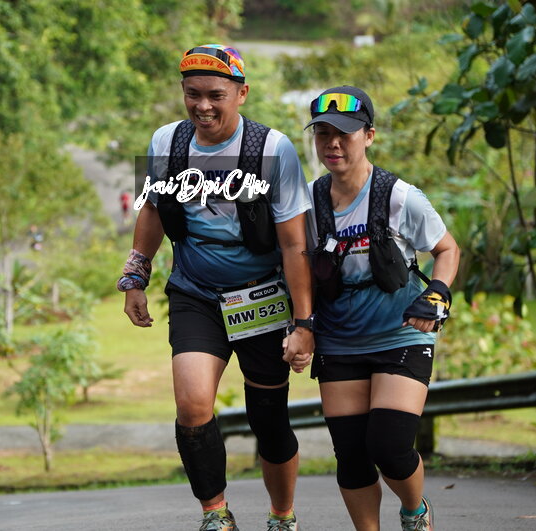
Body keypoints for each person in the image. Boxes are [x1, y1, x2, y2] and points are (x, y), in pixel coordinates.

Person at [118, 44, 314, 531]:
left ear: (241, 94)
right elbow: (151, 209)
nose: (202, 106)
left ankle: (282, 515)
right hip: (196, 292)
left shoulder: (273, 150)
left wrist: (304, 322)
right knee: (192, 405)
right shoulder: (167, 140)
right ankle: (215, 514)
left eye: (215, 95)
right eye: (192, 94)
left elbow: (295, 244)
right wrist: (136, 276)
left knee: (267, 418)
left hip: (262, 295)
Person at [302, 86, 460, 531]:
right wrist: (301, 326)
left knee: (389, 446)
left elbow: (447, 249)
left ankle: (414, 512)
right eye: (323, 134)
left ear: (368, 136)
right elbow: (296, 267)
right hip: (339, 340)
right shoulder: (308, 202)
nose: (333, 144)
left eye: (345, 134)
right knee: (351, 456)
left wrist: (437, 292)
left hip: (400, 334)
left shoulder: (399, 196)